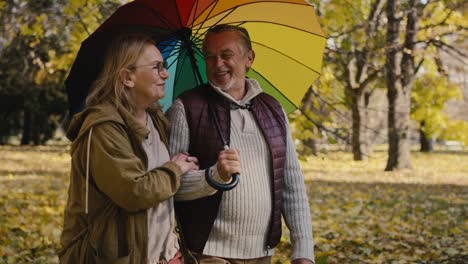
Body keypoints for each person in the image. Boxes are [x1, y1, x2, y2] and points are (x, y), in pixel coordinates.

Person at [166, 24, 315, 263]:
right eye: (210, 57)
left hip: (262, 253)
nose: (217, 64)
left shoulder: (273, 109)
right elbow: (169, 185)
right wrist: (213, 176)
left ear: (249, 58)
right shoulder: (186, 108)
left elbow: (292, 184)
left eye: (226, 55)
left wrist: (304, 251)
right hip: (208, 251)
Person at [59, 34, 200, 264]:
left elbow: (165, 190)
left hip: (167, 255)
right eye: (157, 67)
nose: (165, 74)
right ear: (127, 77)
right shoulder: (104, 129)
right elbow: (134, 192)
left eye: (164, 66)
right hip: (122, 257)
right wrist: (175, 169)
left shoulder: (155, 119)